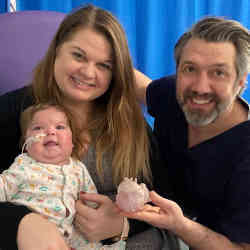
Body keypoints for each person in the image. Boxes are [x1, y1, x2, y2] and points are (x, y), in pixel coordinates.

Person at [0, 4, 176, 250]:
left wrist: (123, 225)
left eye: (104, 65)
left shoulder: (130, 123)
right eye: (78, 56)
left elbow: (165, 201)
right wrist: (20, 221)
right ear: (56, 51)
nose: (88, 72)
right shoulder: (13, 111)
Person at [128, 17, 250, 250]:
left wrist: (180, 225)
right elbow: (140, 87)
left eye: (218, 73)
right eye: (190, 69)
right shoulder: (173, 96)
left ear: (241, 83)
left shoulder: (245, 155)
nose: (200, 87)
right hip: (150, 223)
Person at [0, 103, 128, 250]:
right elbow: (4, 186)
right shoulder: (24, 164)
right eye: (38, 128)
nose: (50, 132)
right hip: (36, 235)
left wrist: (103, 215)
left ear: (72, 143)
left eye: (60, 127)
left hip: (74, 234)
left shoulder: (78, 168)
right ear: (26, 143)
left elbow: (91, 198)